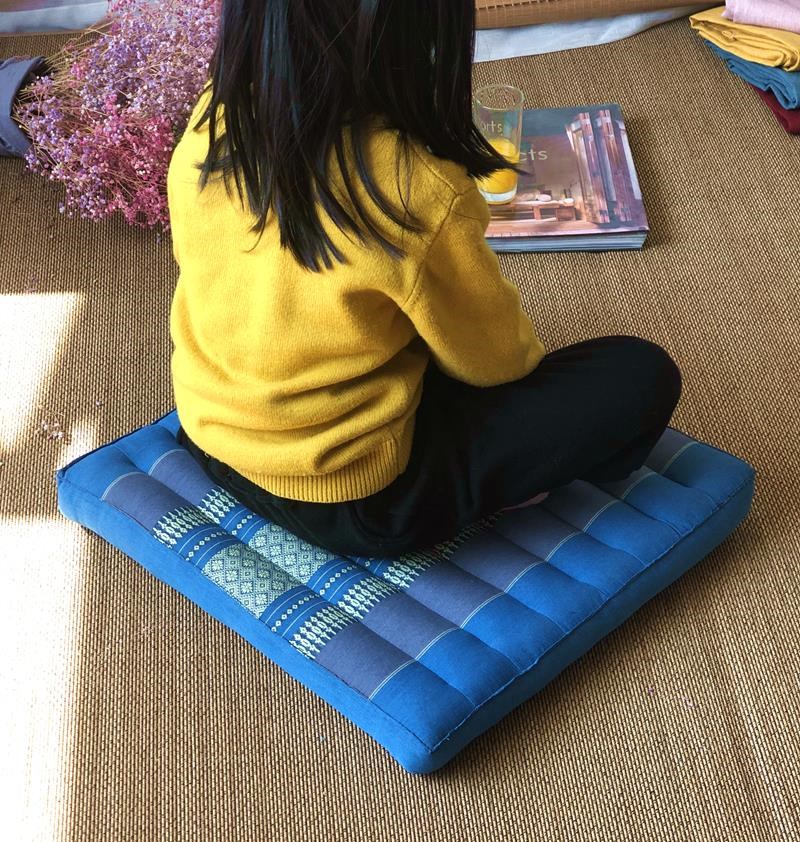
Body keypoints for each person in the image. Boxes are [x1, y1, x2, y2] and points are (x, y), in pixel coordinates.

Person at [167, 0, 681, 558]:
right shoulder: (418, 181)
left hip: (209, 435)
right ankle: (509, 488)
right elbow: (495, 363)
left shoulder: (213, 118)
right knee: (640, 373)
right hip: (362, 499)